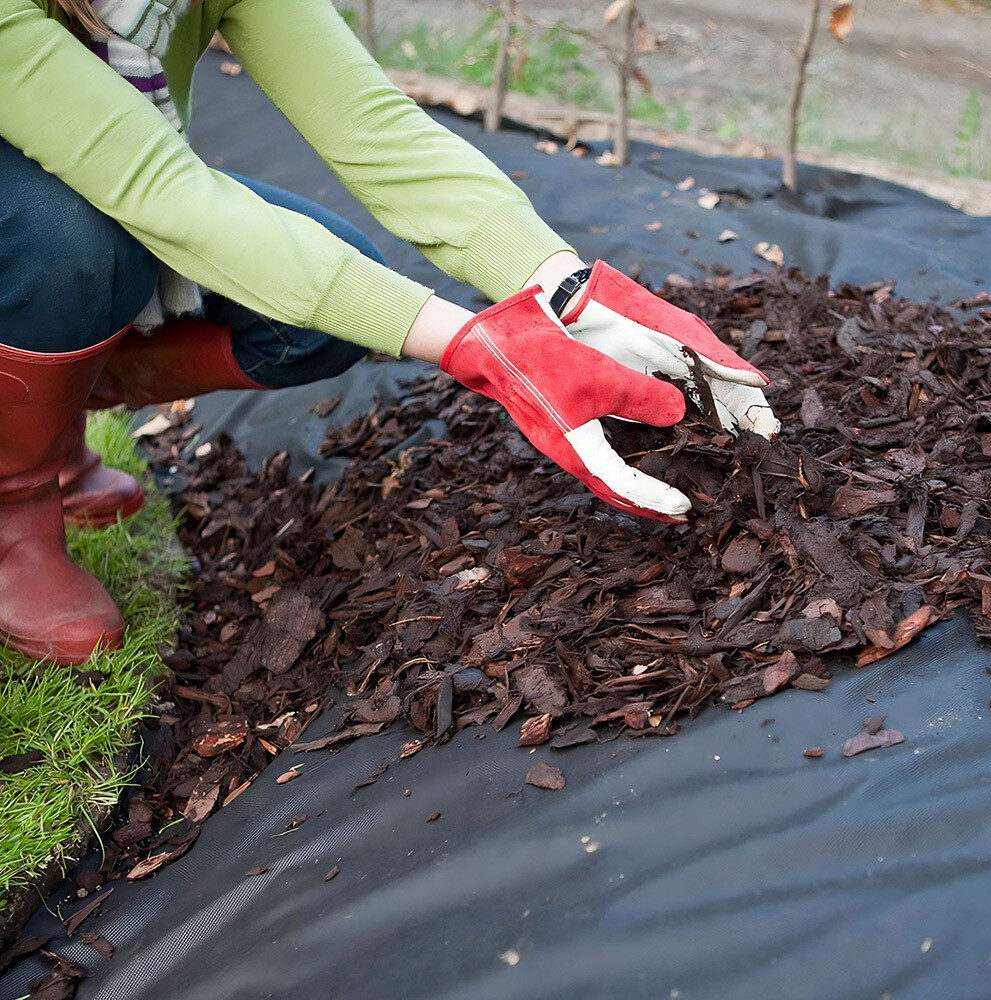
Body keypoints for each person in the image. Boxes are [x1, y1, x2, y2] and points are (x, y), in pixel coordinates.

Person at [0, 0, 779, 666]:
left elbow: (372, 126)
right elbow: (162, 194)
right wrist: (476, 344)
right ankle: (13, 510)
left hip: (107, 186)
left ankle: (49, 400)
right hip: (48, 217)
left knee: (312, 323)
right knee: (80, 244)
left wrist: (567, 288)